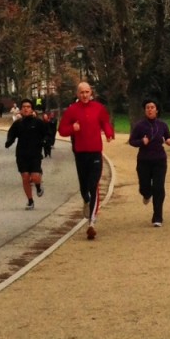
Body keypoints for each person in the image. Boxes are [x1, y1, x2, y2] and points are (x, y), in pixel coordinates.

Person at [58, 82, 114, 240]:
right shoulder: (72, 110)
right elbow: (62, 130)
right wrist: (72, 129)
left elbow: (105, 122)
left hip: (95, 152)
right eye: (81, 92)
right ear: (77, 94)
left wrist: (109, 133)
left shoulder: (98, 108)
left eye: (87, 92)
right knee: (84, 187)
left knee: (93, 184)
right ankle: (86, 200)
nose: (84, 95)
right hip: (80, 152)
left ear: (91, 93)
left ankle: (92, 223)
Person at [128, 100, 170, 227]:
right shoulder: (140, 126)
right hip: (144, 160)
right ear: (145, 110)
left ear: (157, 110)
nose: (150, 109)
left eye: (152, 107)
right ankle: (146, 194)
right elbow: (131, 141)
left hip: (159, 160)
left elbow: (169, 137)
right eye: (147, 107)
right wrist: (142, 142)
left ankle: (157, 216)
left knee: (159, 187)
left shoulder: (162, 125)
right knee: (145, 186)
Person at [4, 98, 47, 209]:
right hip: (22, 154)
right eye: (24, 107)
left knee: (35, 177)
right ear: (21, 110)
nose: (26, 109)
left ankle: (38, 186)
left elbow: (46, 133)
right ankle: (30, 201)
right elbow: (11, 134)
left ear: (32, 109)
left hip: (35, 154)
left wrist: (45, 141)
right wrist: (9, 142)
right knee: (25, 177)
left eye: (28, 107)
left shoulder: (38, 122)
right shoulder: (18, 123)